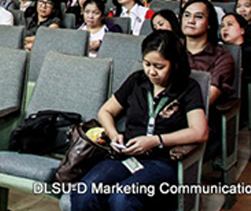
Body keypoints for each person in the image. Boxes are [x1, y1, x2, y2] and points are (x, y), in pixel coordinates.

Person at [71, 31, 208, 211]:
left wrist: (156, 141)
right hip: (126, 155)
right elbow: (105, 111)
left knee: (123, 198)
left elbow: (200, 132)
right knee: (85, 191)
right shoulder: (137, 81)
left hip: (162, 161)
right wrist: (114, 135)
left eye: (159, 66)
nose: (151, 72)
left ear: (175, 64)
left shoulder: (188, 88)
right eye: (147, 64)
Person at [181, 0, 235, 111]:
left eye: (199, 16)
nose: (191, 21)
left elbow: (208, 98)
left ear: (209, 23)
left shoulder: (222, 57)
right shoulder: (170, 47)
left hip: (194, 116)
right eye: (186, 15)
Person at [220, 13, 251, 79]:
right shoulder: (219, 49)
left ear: (242, 30)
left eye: (230, 24)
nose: (225, 29)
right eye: (222, 26)